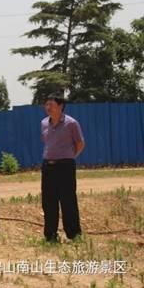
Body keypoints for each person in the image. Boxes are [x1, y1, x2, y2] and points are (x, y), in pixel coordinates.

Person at [41, 94, 85, 242]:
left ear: (60, 106)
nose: (48, 108)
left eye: (51, 104)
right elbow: (47, 142)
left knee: (68, 200)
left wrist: (70, 157)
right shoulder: (44, 123)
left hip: (65, 166)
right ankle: (50, 234)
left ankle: (73, 234)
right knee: (48, 201)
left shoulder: (71, 123)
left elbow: (80, 143)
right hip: (48, 166)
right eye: (46, 105)